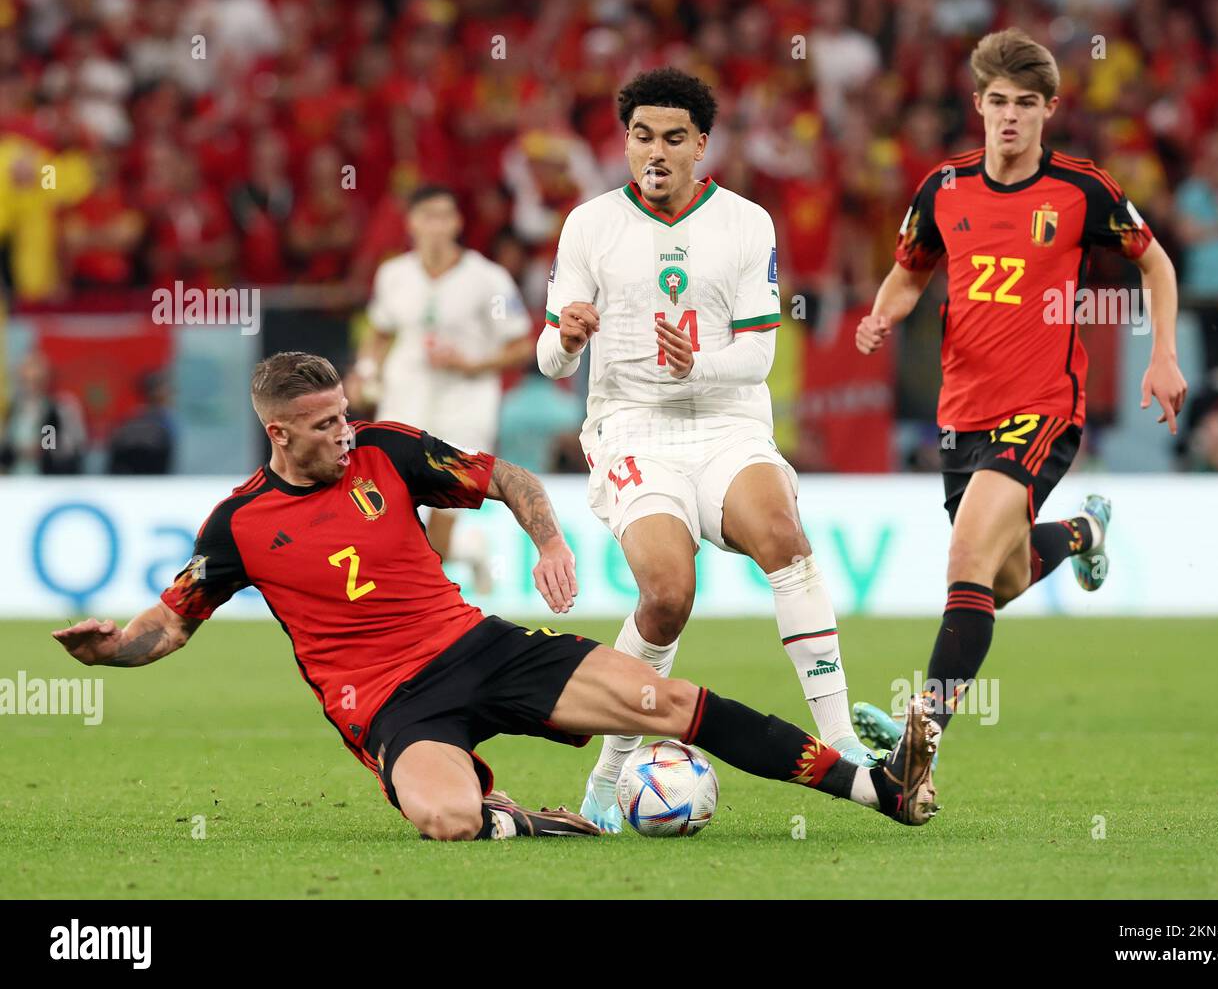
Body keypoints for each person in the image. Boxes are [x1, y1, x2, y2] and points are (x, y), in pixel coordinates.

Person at [51, 352, 942, 839]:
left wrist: (547, 536)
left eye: (345, 412)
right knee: (443, 818)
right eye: (324, 425)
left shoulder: (388, 451)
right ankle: (511, 819)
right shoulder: (238, 524)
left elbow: (507, 476)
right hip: (392, 705)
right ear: (279, 432)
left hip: (476, 645)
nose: (344, 430)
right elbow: (169, 622)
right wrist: (111, 650)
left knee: (665, 701)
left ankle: (874, 788)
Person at [536, 67, 880, 834]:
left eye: (670, 137)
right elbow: (549, 362)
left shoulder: (746, 222)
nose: (653, 151)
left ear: (701, 144)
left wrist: (698, 364)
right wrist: (564, 338)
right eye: (639, 135)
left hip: (726, 422)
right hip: (631, 428)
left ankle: (840, 735)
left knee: (785, 537)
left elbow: (758, 355)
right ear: (625, 141)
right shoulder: (590, 224)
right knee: (665, 594)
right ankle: (607, 774)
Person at [852, 29, 1187, 760]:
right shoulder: (943, 188)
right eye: (997, 101)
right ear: (977, 104)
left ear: (1050, 110)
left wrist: (1161, 353)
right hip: (960, 414)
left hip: (1043, 408)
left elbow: (1155, 264)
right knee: (996, 581)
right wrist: (883, 314)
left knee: (965, 558)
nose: (1009, 117)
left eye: (1025, 104)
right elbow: (909, 272)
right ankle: (1084, 534)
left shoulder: (1082, 190)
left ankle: (920, 739)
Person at [356, 185, 534, 592]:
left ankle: (462, 553)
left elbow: (521, 344)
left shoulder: (488, 280)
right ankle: (466, 554)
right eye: (427, 216)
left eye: (445, 216)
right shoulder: (393, 275)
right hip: (404, 402)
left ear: (457, 222)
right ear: (412, 223)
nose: (436, 226)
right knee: (387, 513)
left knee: (439, 526)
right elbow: (380, 332)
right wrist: (366, 370)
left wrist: (473, 364)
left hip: (465, 407)